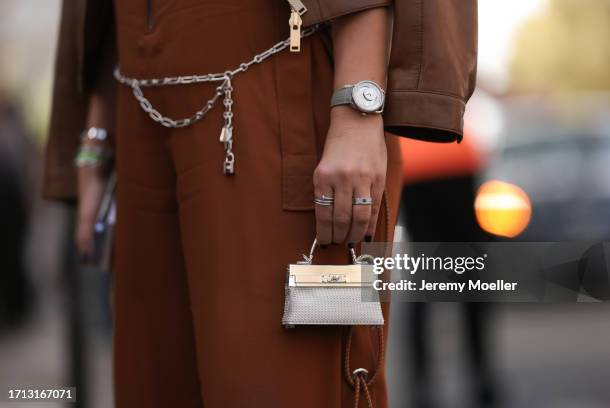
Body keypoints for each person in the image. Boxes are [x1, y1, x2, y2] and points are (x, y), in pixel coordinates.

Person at [42, 0, 477, 407]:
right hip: (133, 101)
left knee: (283, 386)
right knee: (152, 387)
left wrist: (357, 103)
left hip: (279, 75)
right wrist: (96, 134)